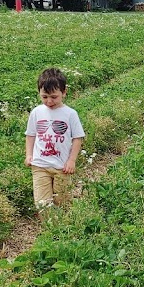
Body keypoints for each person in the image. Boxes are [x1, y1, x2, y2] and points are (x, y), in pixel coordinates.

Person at [25, 68, 85, 215]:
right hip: (40, 165)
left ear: (64, 92)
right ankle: (49, 230)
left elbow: (78, 138)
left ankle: (65, 228)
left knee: (63, 200)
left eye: (54, 97)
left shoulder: (70, 114)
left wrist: (71, 161)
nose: (49, 101)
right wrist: (28, 154)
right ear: (39, 92)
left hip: (62, 167)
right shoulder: (36, 112)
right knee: (42, 203)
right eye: (44, 97)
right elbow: (31, 135)